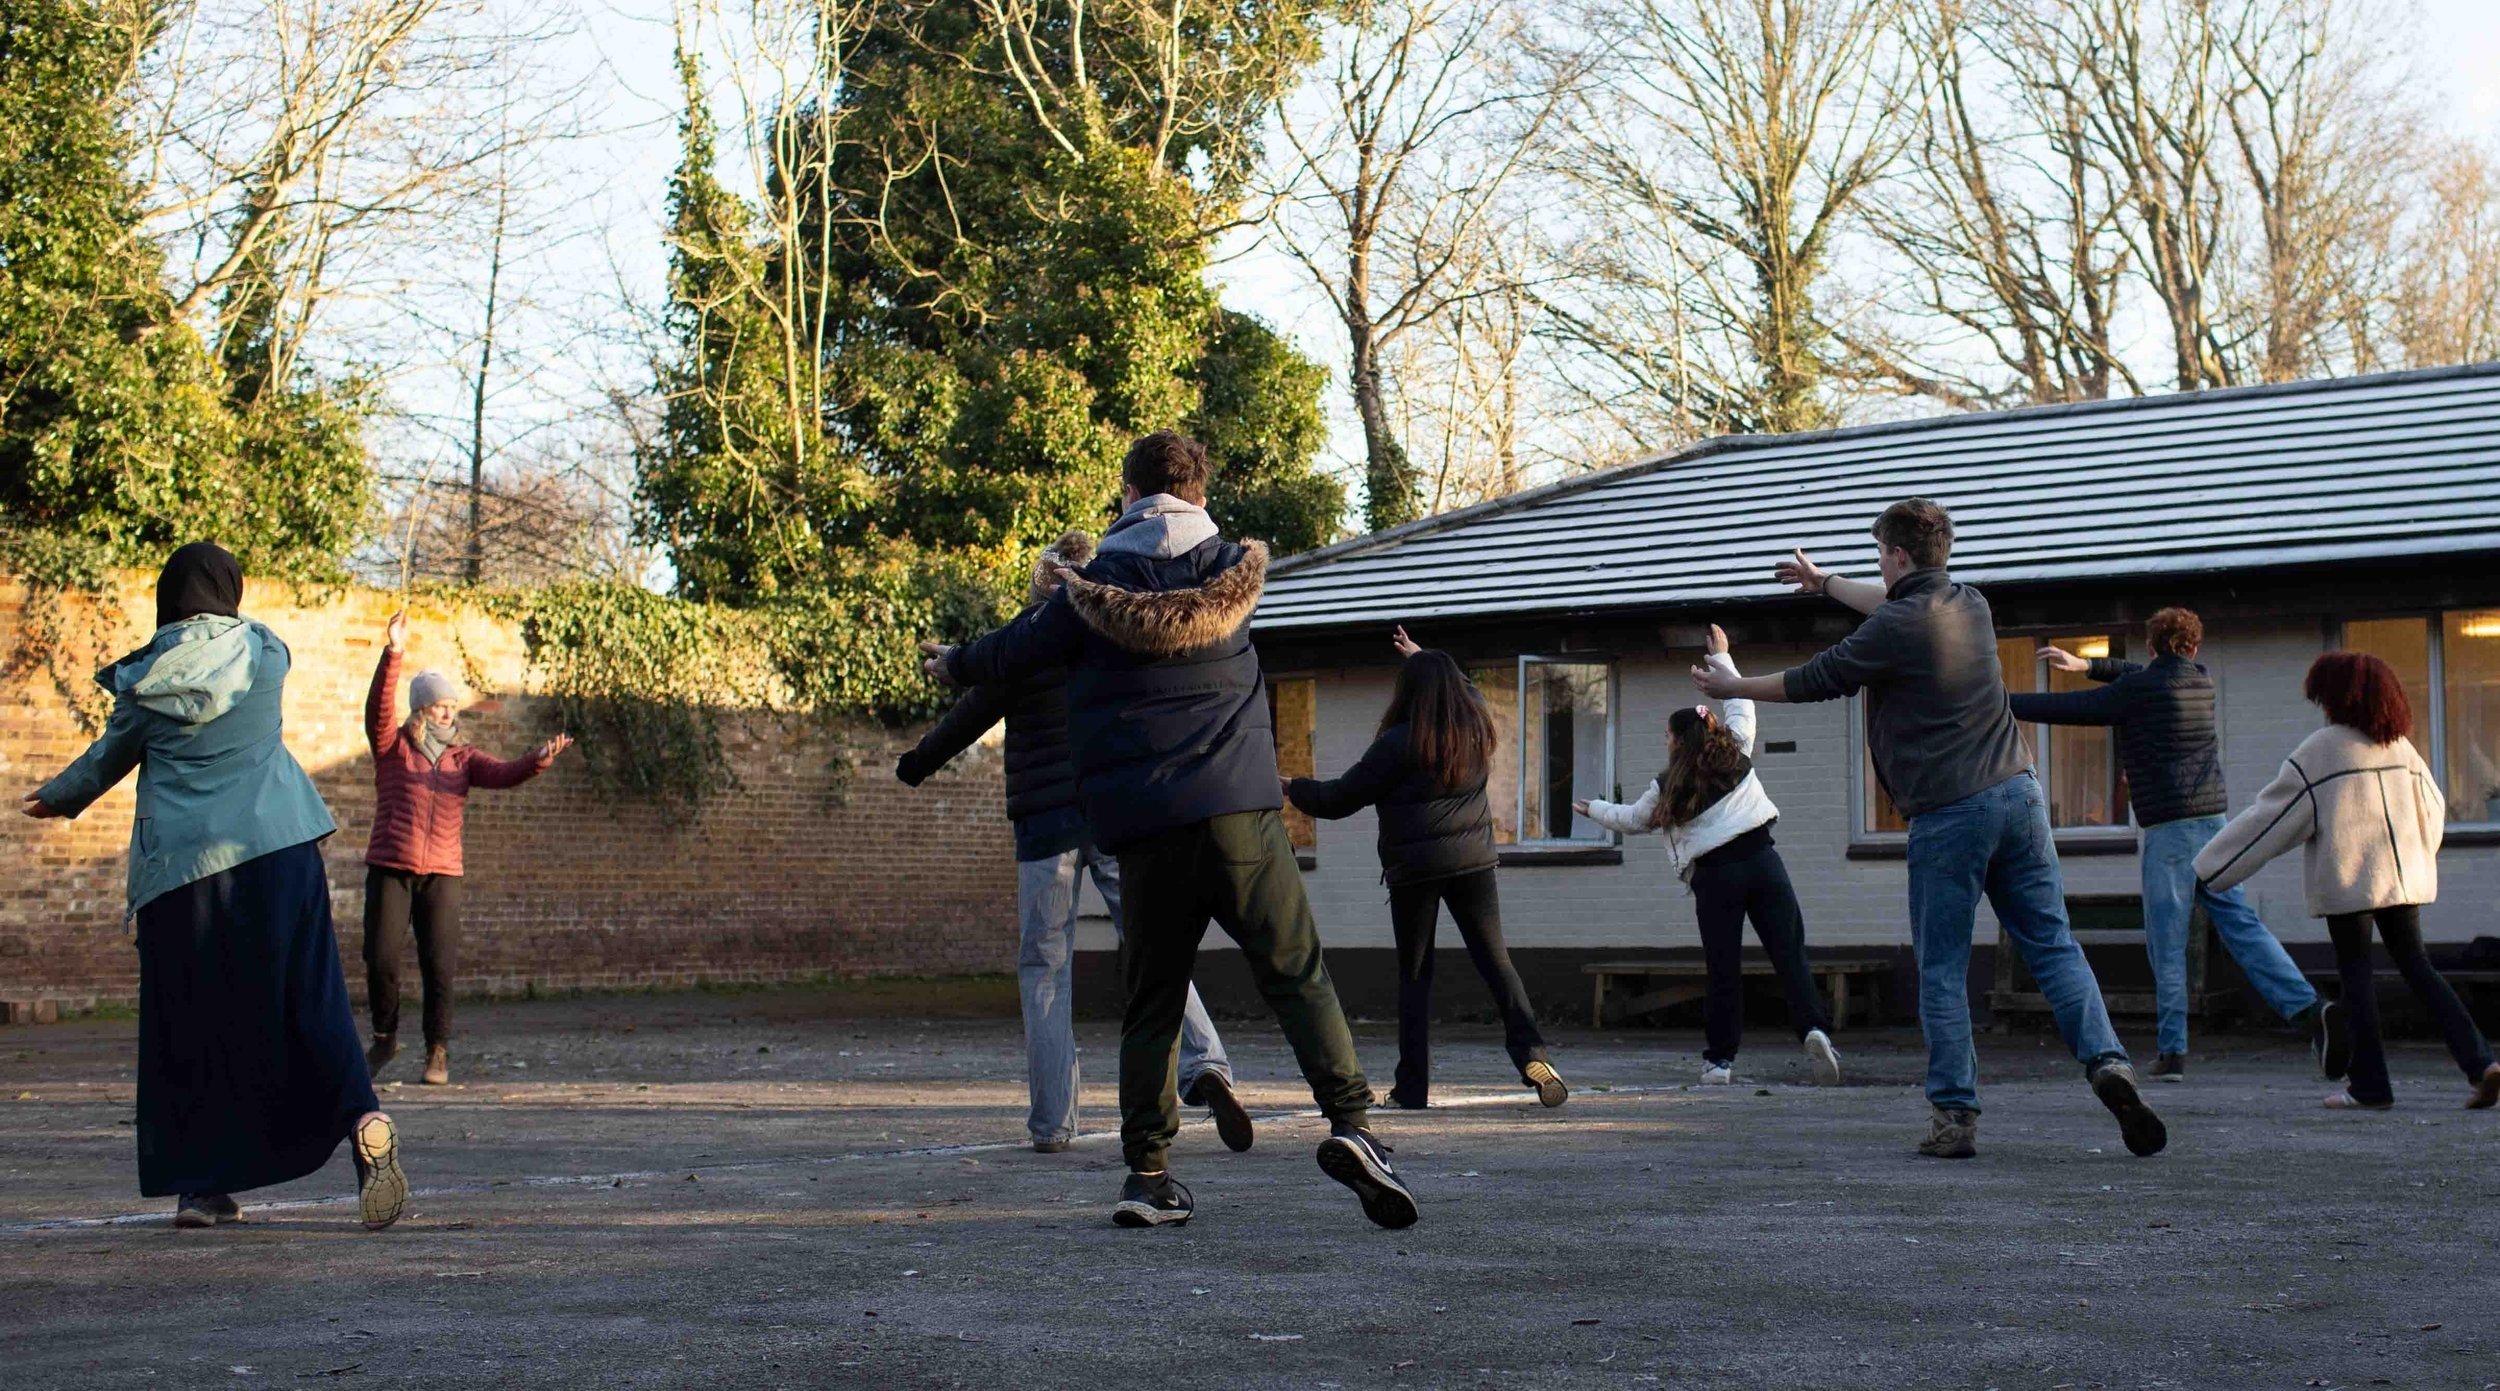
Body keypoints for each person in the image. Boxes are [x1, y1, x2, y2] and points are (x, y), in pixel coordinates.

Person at [919, 431, 1414, 1231]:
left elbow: (1012, 651)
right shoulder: (1235, 573)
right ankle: (1354, 1125)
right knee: (1297, 973)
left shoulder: (1087, 593)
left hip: (1147, 824)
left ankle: (1148, 1173)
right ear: (1201, 493)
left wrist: (956, 661)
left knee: (1151, 1000)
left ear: (1125, 493)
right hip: (1241, 814)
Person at [1695, 499, 2167, 1160]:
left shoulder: (1894, 628)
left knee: (1943, 967)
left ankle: (1954, 1115)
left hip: (1951, 812)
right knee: (2054, 944)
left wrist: (1735, 682)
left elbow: (1817, 677)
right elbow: (1884, 604)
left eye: (1878, 556)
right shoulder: (1971, 603)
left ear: (1894, 555)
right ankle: (2110, 1063)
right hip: (2020, 794)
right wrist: (1825, 582)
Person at [19, 543, 409, 1231]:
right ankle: (364, 1115)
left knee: (193, 1023)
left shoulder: (148, 681)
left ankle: (202, 1187)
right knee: (310, 998)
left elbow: (107, 756)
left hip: (186, 871)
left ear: (168, 598)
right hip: (283, 849)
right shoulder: (268, 656)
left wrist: (56, 798)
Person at [897, 530, 1253, 1155]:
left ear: (1042, 580)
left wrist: (916, 763)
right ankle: (1207, 1063)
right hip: (1113, 812)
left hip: (1044, 825)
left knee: (1044, 967)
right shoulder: (1111, 629)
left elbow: (970, 714)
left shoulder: (1028, 640)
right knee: (1154, 945)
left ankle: (1053, 1122)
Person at [2010, 607, 2342, 1083]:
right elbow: (2140, 676)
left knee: (2168, 944)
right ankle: (2310, 1012)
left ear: (2151, 645)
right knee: (2242, 927)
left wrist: (2001, 702)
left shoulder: (2140, 690)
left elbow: (2074, 710)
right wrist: (2090, 666)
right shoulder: (2200, 681)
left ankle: (2172, 1052)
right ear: (2193, 648)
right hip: (2215, 824)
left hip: (2169, 831)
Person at [2195, 651, 2500, 1111]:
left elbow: (2267, 822)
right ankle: (2482, 1063)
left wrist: (2207, 870)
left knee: (2356, 977)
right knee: (2420, 969)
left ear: (2335, 697)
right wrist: (2418, 857)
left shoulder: (2321, 751)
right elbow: (2433, 811)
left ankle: (2371, 1086)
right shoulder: (2401, 749)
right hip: (2402, 882)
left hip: (2350, 883)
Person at [1286, 627, 1567, 1111]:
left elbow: (1338, 799)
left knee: (1415, 977)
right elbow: (1469, 690)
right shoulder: (1476, 729)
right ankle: (1532, 1052)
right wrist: (1429, 658)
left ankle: (1413, 1088)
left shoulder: (1397, 743)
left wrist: (1289, 786)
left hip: (1415, 870)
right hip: (1473, 863)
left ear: (1408, 691)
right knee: (1496, 962)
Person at [1579, 624, 1841, 1088]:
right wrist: (1723, 657)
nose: (1666, 743)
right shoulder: (1735, 750)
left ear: (1679, 740)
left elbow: (1635, 820)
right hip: (1764, 862)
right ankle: (1814, 1030)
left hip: (1716, 878)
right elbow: (1741, 704)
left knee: (1723, 968)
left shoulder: (1669, 785)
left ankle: (1719, 1062)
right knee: (1789, 954)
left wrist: (1594, 809)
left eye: (1667, 736)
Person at [364, 609, 571, 1087]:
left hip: (443, 872)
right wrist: (393, 651)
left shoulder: (465, 757)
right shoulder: (391, 745)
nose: (448, 712)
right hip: (389, 868)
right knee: (381, 958)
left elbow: (503, 774)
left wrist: (537, 760)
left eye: (452, 706)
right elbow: (377, 706)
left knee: (439, 964)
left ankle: (437, 1051)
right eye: (440, 705)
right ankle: (384, 1039)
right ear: (421, 708)